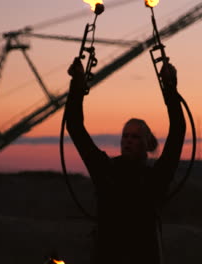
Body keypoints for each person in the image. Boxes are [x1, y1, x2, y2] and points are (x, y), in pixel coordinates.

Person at [65, 57, 186, 264]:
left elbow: (177, 131)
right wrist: (76, 85)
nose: (128, 141)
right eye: (125, 136)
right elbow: (75, 126)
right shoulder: (105, 169)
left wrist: (170, 88)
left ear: (147, 143)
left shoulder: (156, 177)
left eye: (135, 137)